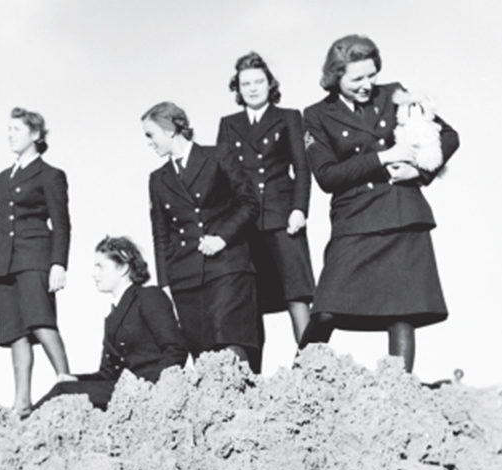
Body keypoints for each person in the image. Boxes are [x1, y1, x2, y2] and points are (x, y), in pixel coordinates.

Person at [299, 34, 459, 373]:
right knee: (326, 308)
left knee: (403, 311)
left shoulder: (395, 94)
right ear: (335, 77)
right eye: (357, 78)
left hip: (403, 213)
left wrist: (418, 172)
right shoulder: (315, 116)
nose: (367, 85)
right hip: (354, 219)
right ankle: (296, 384)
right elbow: (326, 176)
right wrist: (384, 157)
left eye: (371, 75)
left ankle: (398, 390)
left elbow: (449, 136)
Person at [142, 101, 261, 365]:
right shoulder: (158, 179)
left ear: (170, 129)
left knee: (230, 346)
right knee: (204, 357)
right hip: (185, 277)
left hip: (227, 266)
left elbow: (249, 203)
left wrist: (222, 238)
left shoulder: (218, 156)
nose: (149, 142)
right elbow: (161, 233)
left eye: (151, 135)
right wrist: (165, 284)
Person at [0, 107, 75, 417]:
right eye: (8, 129)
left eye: (16, 129)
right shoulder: (1, 177)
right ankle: (22, 400)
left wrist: (58, 263)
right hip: (2, 262)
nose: (10, 135)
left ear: (35, 134)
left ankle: (65, 378)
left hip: (35, 256)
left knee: (40, 319)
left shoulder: (50, 175)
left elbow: (62, 223)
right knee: (14, 331)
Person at [217, 51, 314, 353]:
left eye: (259, 81)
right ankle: (251, 377)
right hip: (245, 222)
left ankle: (313, 367)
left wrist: (300, 209)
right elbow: (222, 177)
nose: (253, 88)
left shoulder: (288, 117)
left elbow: (301, 167)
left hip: (283, 217)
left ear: (270, 84)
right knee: (249, 298)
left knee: (296, 292)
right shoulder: (229, 123)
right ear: (237, 88)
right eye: (246, 83)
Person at [35, 236, 188, 410]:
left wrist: (155, 388)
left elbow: (176, 349)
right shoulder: (113, 316)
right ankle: (18, 428)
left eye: (100, 266)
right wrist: (76, 379)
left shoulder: (149, 297)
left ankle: (19, 427)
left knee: (62, 391)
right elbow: (107, 374)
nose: (94, 274)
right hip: (120, 390)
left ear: (123, 267)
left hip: (143, 391)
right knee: (64, 387)